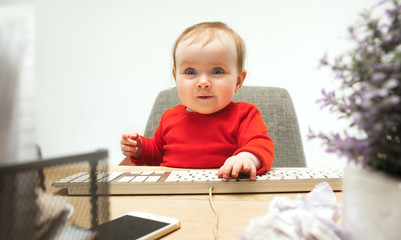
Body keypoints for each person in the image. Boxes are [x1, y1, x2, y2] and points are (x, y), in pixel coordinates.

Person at [121, 22, 274, 180]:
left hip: (224, 191)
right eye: (190, 71)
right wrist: (139, 148)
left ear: (238, 81)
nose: (203, 82)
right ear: (176, 78)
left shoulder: (245, 115)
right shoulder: (169, 117)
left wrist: (246, 158)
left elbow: (260, 145)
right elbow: (158, 153)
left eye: (216, 71)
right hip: (172, 192)